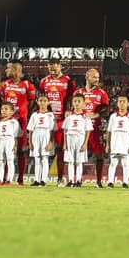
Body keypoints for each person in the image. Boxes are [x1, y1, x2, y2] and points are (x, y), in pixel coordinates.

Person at [39, 58, 75, 188]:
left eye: (55, 68)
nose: (53, 71)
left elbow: (72, 98)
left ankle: (60, 179)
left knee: (60, 149)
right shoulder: (44, 82)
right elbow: (42, 99)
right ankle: (41, 179)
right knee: (43, 149)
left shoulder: (68, 81)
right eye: (50, 69)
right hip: (47, 119)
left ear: (60, 67)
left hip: (61, 120)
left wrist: (68, 111)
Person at [0, 61, 36, 186]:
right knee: (5, 150)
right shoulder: (4, 84)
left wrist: (23, 113)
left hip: (21, 121)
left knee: (21, 149)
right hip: (7, 121)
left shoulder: (27, 85)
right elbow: (3, 102)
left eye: (8, 68)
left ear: (16, 70)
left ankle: (20, 179)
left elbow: (31, 102)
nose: (6, 71)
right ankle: (4, 179)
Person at [78, 69, 110, 187]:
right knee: (79, 154)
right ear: (87, 77)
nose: (97, 79)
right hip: (81, 128)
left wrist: (97, 114)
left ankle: (99, 181)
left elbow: (107, 110)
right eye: (94, 77)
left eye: (97, 77)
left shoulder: (101, 93)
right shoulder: (79, 92)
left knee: (99, 154)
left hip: (96, 127)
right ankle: (78, 180)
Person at [104, 94, 129, 188]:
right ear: (117, 103)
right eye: (120, 101)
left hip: (125, 145)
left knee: (126, 164)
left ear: (128, 104)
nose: (122, 103)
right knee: (112, 163)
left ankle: (125, 183)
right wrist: (107, 145)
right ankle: (110, 182)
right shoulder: (113, 116)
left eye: (124, 101)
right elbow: (109, 131)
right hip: (115, 144)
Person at [60, 94, 92, 187]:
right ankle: (70, 180)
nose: (77, 103)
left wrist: (85, 143)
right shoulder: (69, 116)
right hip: (70, 137)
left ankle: (78, 180)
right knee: (70, 161)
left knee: (79, 161)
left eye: (79, 101)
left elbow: (88, 130)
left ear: (83, 103)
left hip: (80, 138)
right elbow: (65, 129)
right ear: (72, 103)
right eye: (75, 101)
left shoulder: (85, 117)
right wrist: (65, 143)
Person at [26, 95, 56, 186]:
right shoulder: (34, 115)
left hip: (46, 135)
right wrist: (30, 142)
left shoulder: (50, 115)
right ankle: (36, 180)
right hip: (36, 135)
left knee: (45, 158)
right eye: (41, 100)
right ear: (37, 102)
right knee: (37, 159)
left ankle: (43, 180)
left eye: (45, 101)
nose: (42, 103)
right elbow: (30, 130)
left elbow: (53, 129)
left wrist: (51, 142)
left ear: (48, 102)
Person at [0, 102, 22, 185]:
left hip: (9, 140)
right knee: (0, 161)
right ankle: (0, 179)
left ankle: (9, 180)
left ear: (12, 111)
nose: (3, 111)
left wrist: (15, 145)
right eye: (2, 109)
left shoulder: (14, 122)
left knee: (10, 160)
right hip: (0, 141)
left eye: (6, 109)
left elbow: (16, 135)